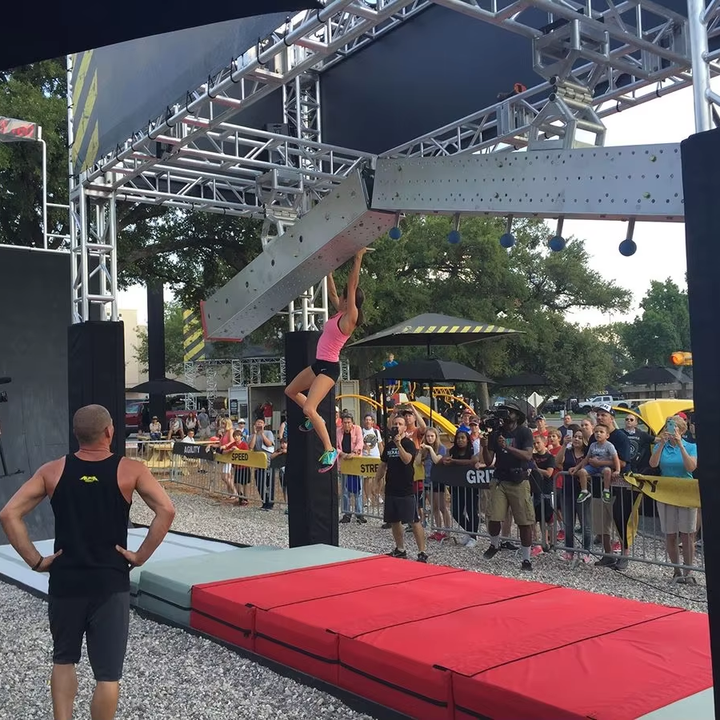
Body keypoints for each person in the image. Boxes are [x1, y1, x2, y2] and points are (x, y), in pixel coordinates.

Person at [0, 404, 176, 720]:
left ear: (76, 434)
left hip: (66, 582)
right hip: (110, 583)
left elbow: (9, 513)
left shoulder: (52, 471)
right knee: (107, 675)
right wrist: (140, 556)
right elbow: (167, 510)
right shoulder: (131, 470)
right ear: (109, 431)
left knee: (63, 660)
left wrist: (36, 562)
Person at [285, 249, 367, 473]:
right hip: (318, 364)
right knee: (291, 391)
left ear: (349, 300)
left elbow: (352, 284)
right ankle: (315, 418)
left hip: (329, 369)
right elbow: (332, 291)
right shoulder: (339, 312)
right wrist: (327, 269)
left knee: (309, 408)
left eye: (344, 296)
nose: (340, 298)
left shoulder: (350, 318)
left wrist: (358, 257)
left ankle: (330, 450)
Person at [481, 400, 536, 571]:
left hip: (519, 479)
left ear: (517, 416)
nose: (505, 415)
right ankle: (494, 544)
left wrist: (508, 447)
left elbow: (528, 455)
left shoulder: (524, 432)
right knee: (494, 517)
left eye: (509, 412)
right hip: (500, 479)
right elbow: (488, 461)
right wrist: (485, 446)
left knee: (524, 521)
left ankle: (526, 558)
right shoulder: (496, 433)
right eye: (503, 411)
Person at [373, 414, 428, 562]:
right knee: (394, 520)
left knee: (413, 520)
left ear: (405, 427)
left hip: (406, 489)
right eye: (395, 424)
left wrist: (399, 445)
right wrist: (376, 481)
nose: (397, 426)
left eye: (400, 424)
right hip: (391, 487)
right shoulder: (389, 445)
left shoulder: (408, 443)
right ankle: (400, 549)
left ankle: (422, 551)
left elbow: (407, 460)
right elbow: (383, 464)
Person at [574, 423, 620, 504]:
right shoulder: (592, 445)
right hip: (592, 466)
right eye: (596, 432)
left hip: (603, 466)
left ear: (607, 435)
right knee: (582, 472)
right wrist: (583, 467)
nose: (598, 434)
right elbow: (587, 457)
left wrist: (617, 470)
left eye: (601, 432)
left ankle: (606, 490)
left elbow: (616, 458)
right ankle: (584, 491)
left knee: (607, 471)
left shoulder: (609, 446)